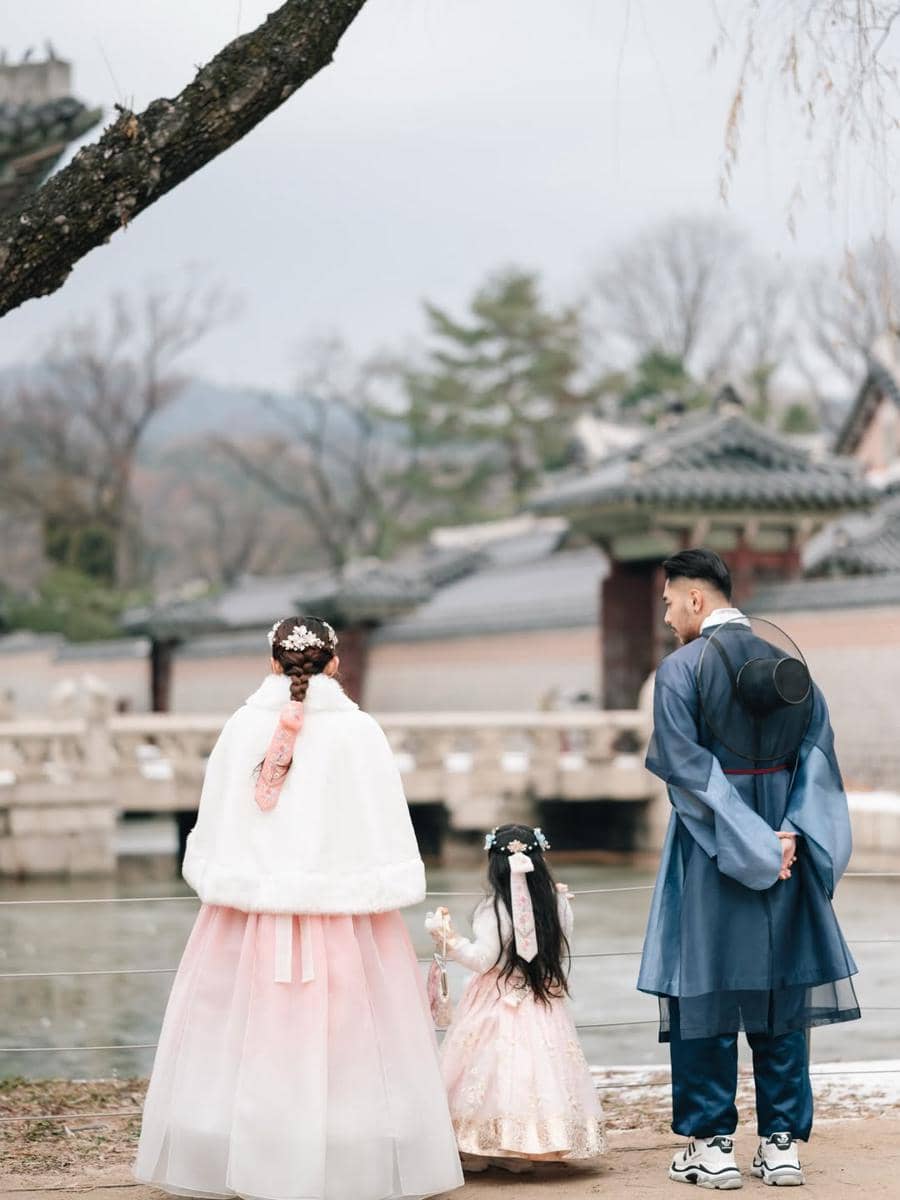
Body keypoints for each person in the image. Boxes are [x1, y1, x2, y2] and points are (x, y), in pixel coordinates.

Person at [134, 616, 463, 1200]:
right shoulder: (358, 731)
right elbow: (383, 817)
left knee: (242, 1027)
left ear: (271, 663)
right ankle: (351, 1149)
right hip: (345, 917)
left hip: (250, 916)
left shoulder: (242, 726)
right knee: (352, 1032)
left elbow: (216, 818)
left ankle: (237, 1145)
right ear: (335, 662)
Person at [638, 549, 859, 1189]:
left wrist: (752, 843)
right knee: (781, 989)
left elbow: (689, 772)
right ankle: (782, 1144)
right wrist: (789, 834)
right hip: (788, 851)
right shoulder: (789, 667)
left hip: (714, 853)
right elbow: (818, 752)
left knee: (703, 987)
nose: (668, 612)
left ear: (697, 600)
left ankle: (713, 1148)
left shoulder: (680, 671)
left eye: (669, 600)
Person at [426, 822, 605, 1172]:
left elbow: (483, 960)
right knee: (538, 1071)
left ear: (494, 864)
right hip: (542, 997)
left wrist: (446, 937)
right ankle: (532, 1145)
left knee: (491, 1071)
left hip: (496, 999)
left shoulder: (494, 909)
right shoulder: (558, 903)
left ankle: (484, 1147)